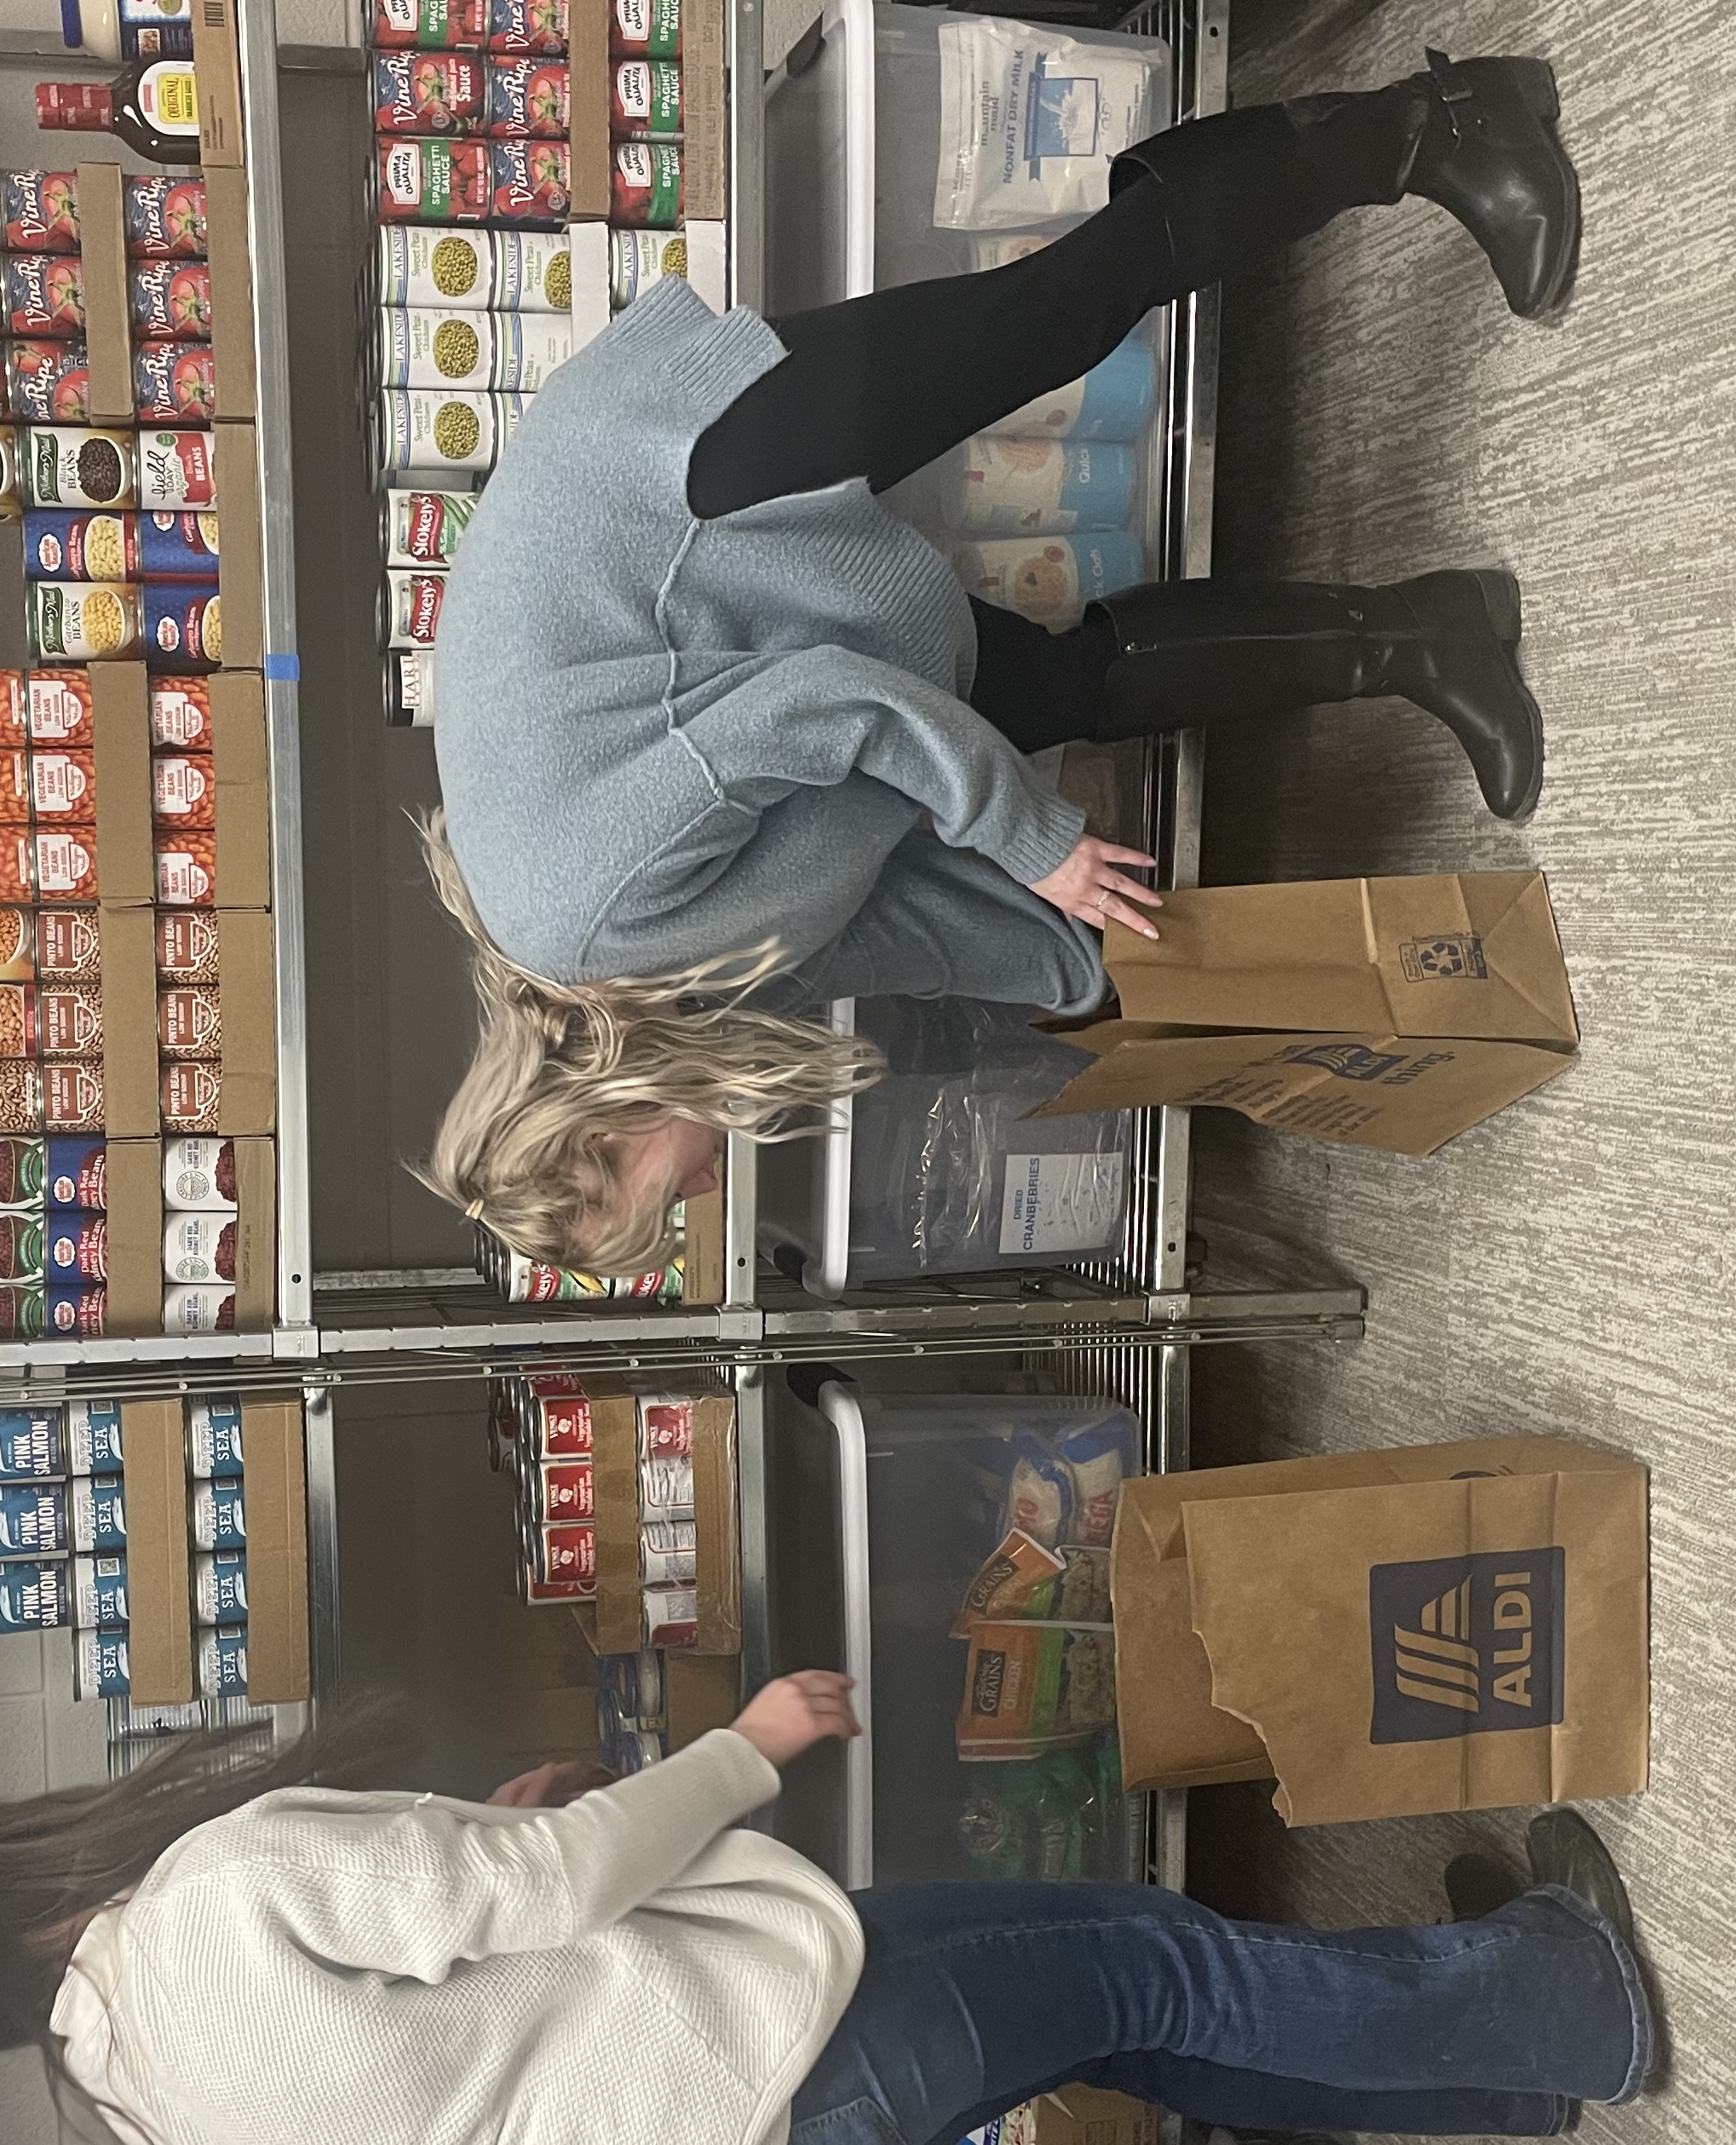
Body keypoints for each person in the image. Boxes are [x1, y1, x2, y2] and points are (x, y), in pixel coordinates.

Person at [420, 50, 1584, 1277]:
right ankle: (1430, 635)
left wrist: (1041, 847)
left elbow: (826, 712)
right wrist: (1087, 977)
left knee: (1058, 315)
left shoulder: (598, 910)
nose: (700, 1199)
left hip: (671, 480)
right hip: (749, 620)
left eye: (658, 1207)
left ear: (600, 1139)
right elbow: (895, 923)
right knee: (1080, 691)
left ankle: (1437, 123)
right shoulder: (675, 1001)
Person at [0, 1676, 1661, 2145]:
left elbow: (445, 2040)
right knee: (1145, 1957)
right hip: (763, 2068)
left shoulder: (144, 2113)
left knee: (1103, 1997)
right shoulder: (197, 1903)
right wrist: (743, 1747)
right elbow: (539, 1893)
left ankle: (1492, 2065)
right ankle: (1562, 2004)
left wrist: (514, 1861)